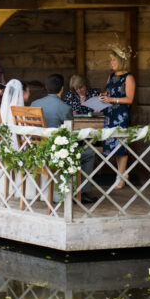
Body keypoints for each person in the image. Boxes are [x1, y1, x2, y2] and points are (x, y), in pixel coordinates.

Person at [32, 74, 97, 203]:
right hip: (56, 153)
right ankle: (81, 192)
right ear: (62, 89)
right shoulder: (65, 108)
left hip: (36, 151)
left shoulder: (34, 104)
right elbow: (70, 133)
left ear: (46, 87)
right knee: (89, 153)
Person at [99, 46, 136, 190]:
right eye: (110, 60)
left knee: (121, 146)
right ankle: (121, 174)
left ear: (120, 61)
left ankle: (120, 178)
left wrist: (112, 100)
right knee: (112, 147)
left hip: (121, 115)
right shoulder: (111, 76)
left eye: (113, 60)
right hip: (109, 114)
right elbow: (108, 93)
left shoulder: (129, 77)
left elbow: (129, 99)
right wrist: (103, 97)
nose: (111, 62)